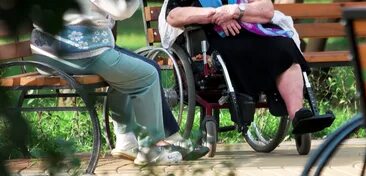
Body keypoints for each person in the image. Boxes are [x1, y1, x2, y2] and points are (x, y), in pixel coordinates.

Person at [30, 0, 206, 165]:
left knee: (133, 71)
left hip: (48, 52)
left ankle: (127, 141)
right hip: (78, 51)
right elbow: (121, 9)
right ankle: (151, 150)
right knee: (147, 75)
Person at [165, 0, 335, 134]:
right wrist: (215, 15)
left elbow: (267, 9)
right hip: (213, 39)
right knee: (240, 50)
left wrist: (237, 11)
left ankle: (298, 114)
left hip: (251, 31)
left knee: (285, 47)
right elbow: (173, 16)